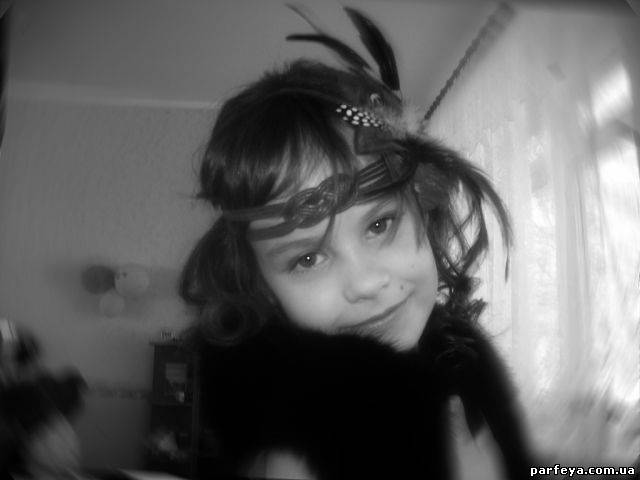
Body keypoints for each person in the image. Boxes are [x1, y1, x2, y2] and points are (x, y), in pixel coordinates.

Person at [180, 7, 533, 480]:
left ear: (424, 205)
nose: (366, 282)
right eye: (308, 258)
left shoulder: (465, 360)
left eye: (380, 225)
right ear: (261, 285)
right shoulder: (294, 461)